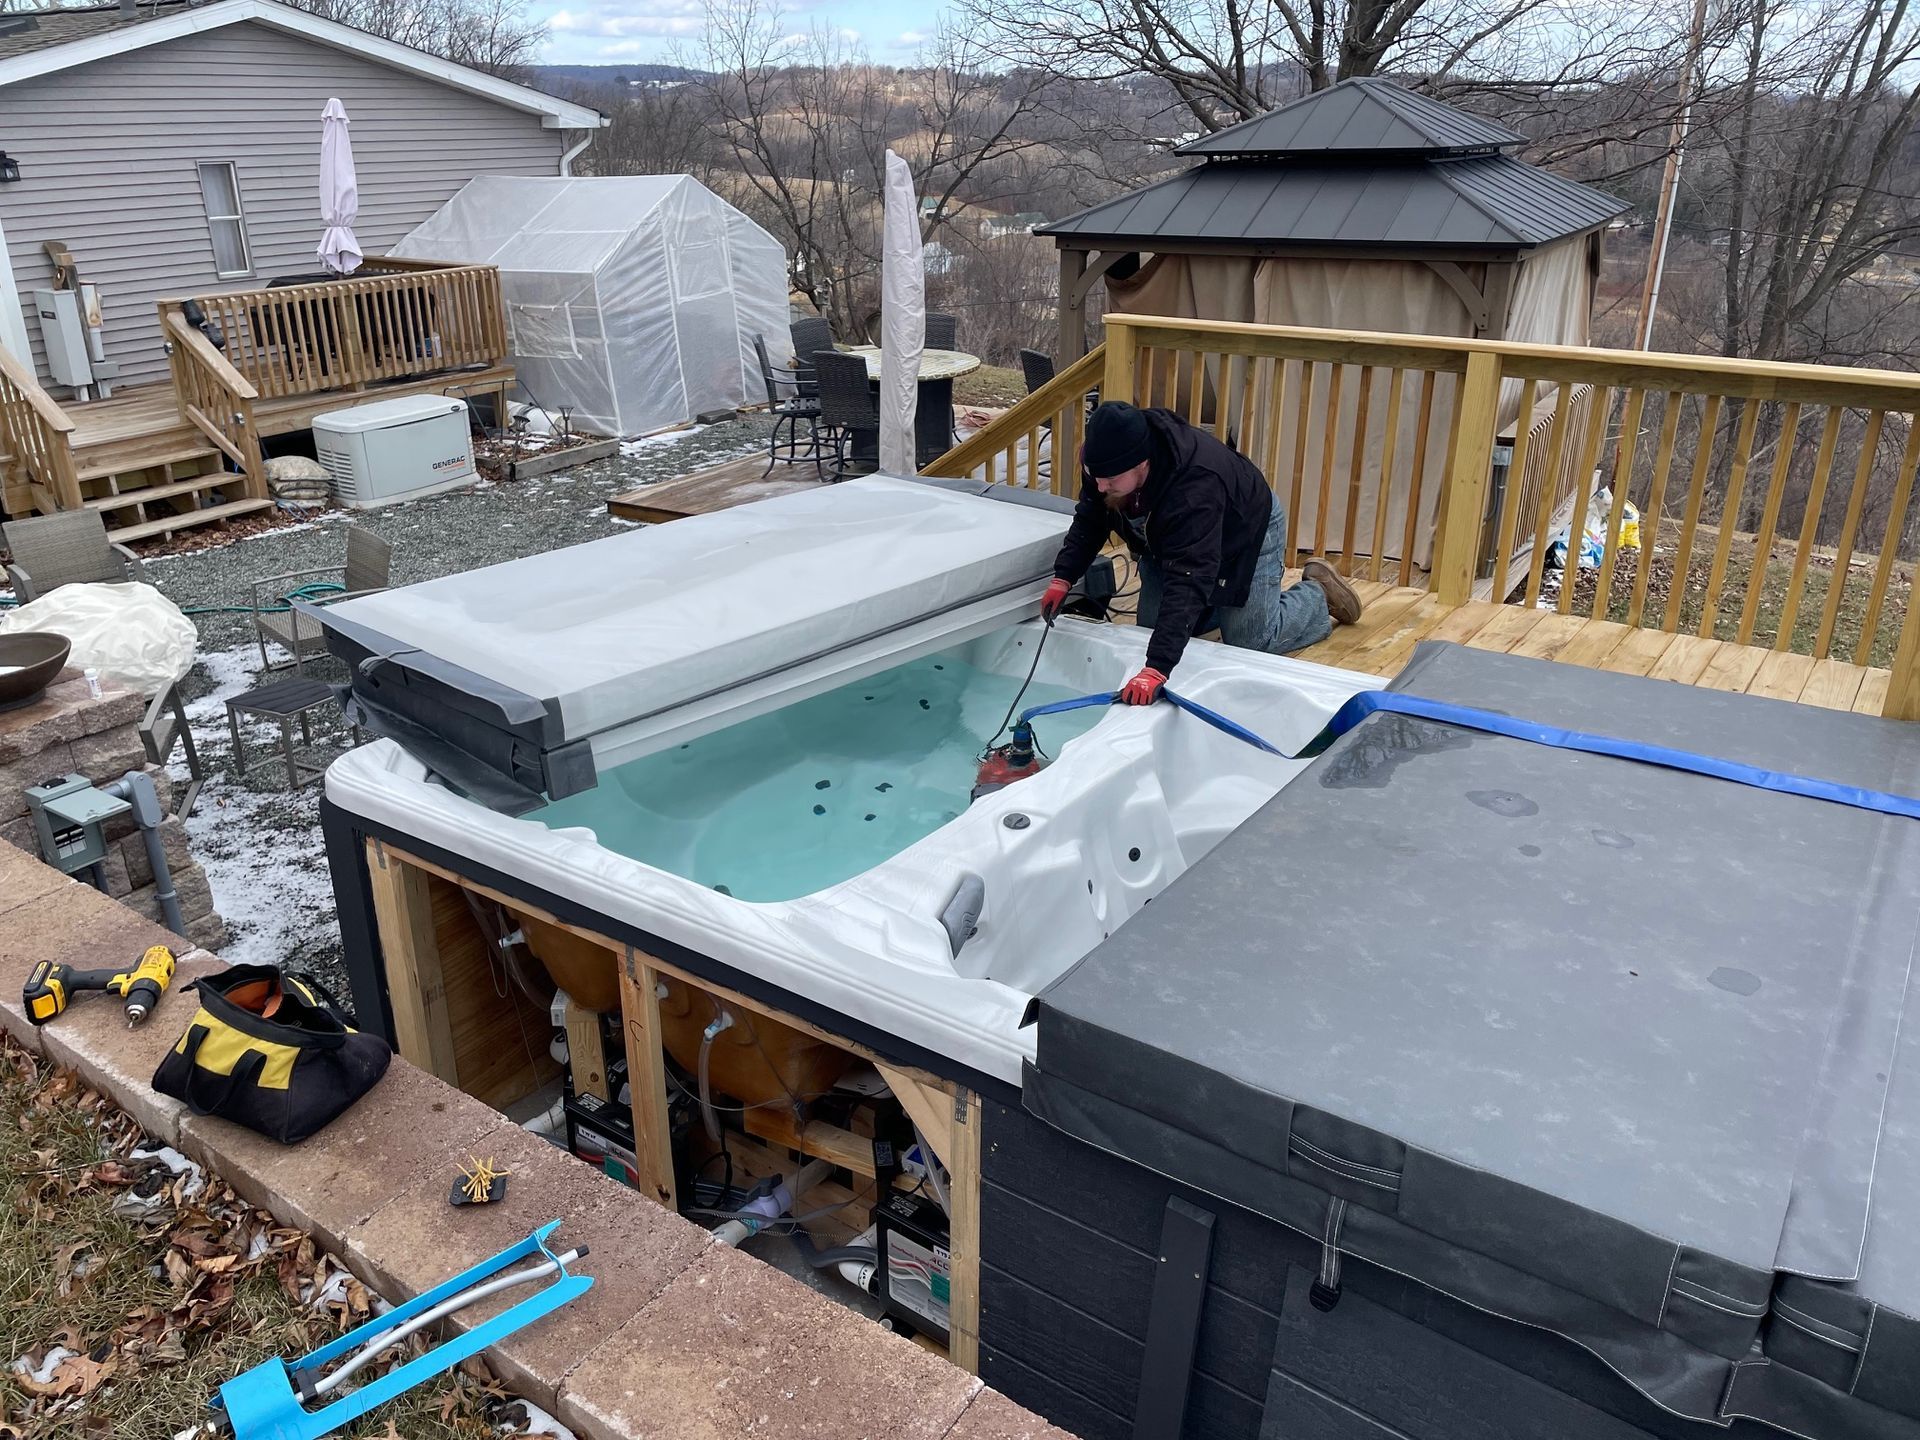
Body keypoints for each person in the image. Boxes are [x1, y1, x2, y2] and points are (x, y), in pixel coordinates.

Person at [1041, 401, 1363, 704]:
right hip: (1168, 543)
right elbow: (1091, 518)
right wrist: (1064, 576)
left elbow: (1189, 575)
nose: (1099, 486)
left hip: (1244, 531)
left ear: (1142, 463)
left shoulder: (1195, 485)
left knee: (1251, 641)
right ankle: (1219, 605)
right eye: (1095, 476)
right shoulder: (1105, 462)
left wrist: (1157, 668)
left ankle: (1317, 594)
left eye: (1109, 480)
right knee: (1149, 632)